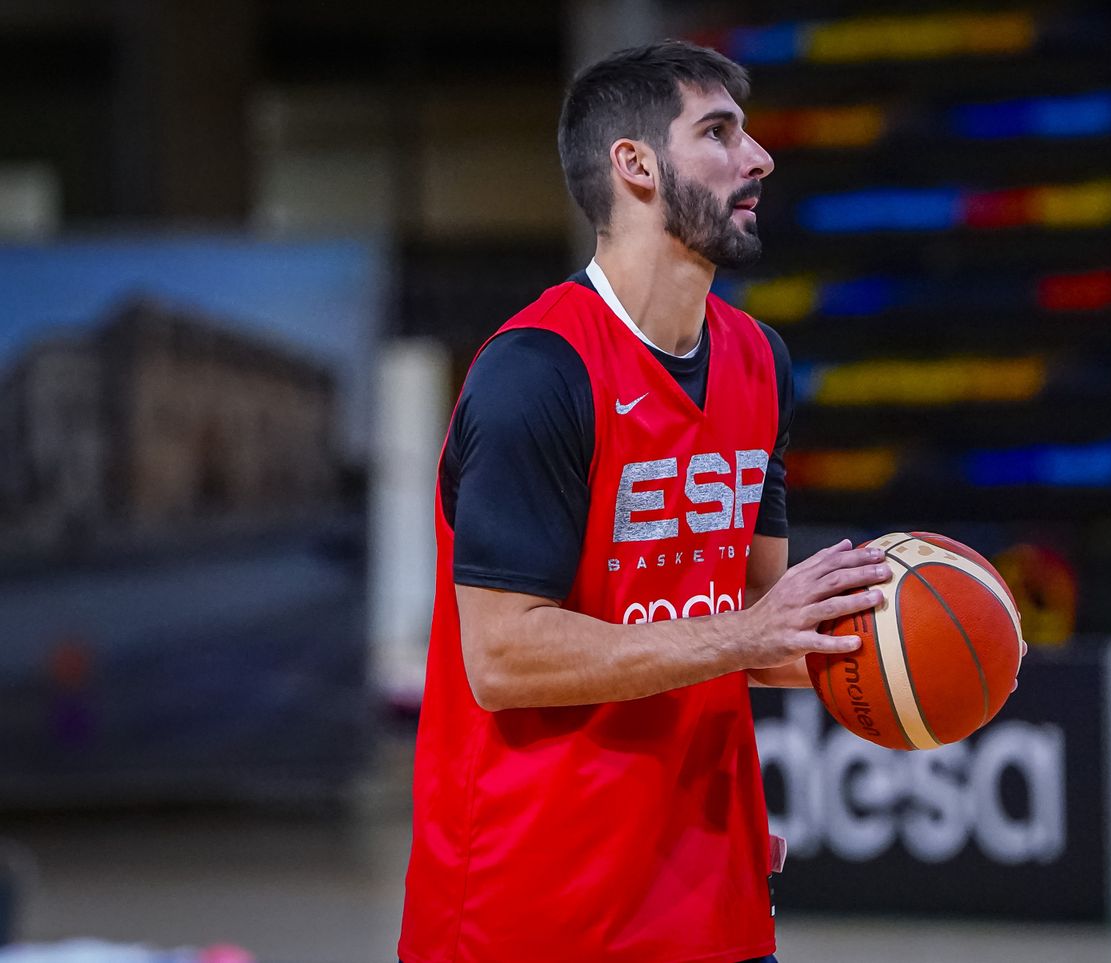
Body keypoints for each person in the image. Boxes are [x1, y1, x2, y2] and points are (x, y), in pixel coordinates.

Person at [398, 40, 890, 963]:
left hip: (710, 895)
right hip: (530, 913)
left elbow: (760, 618)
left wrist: (902, 645)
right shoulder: (535, 372)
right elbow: (501, 655)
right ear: (636, 165)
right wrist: (746, 635)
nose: (758, 158)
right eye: (719, 133)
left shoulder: (761, 361)